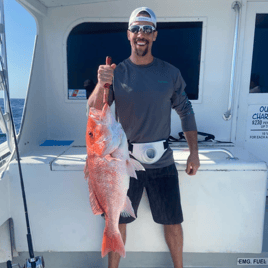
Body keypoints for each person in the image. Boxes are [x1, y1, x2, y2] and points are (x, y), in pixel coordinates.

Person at [87, 7, 200, 268]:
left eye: (147, 29)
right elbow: (93, 111)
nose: (142, 34)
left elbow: (186, 111)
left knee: (173, 221)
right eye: (136, 29)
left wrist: (193, 152)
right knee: (117, 220)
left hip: (162, 162)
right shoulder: (116, 73)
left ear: (155, 36)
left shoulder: (170, 73)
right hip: (123, 162)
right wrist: (100, 82)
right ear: (128, 34)